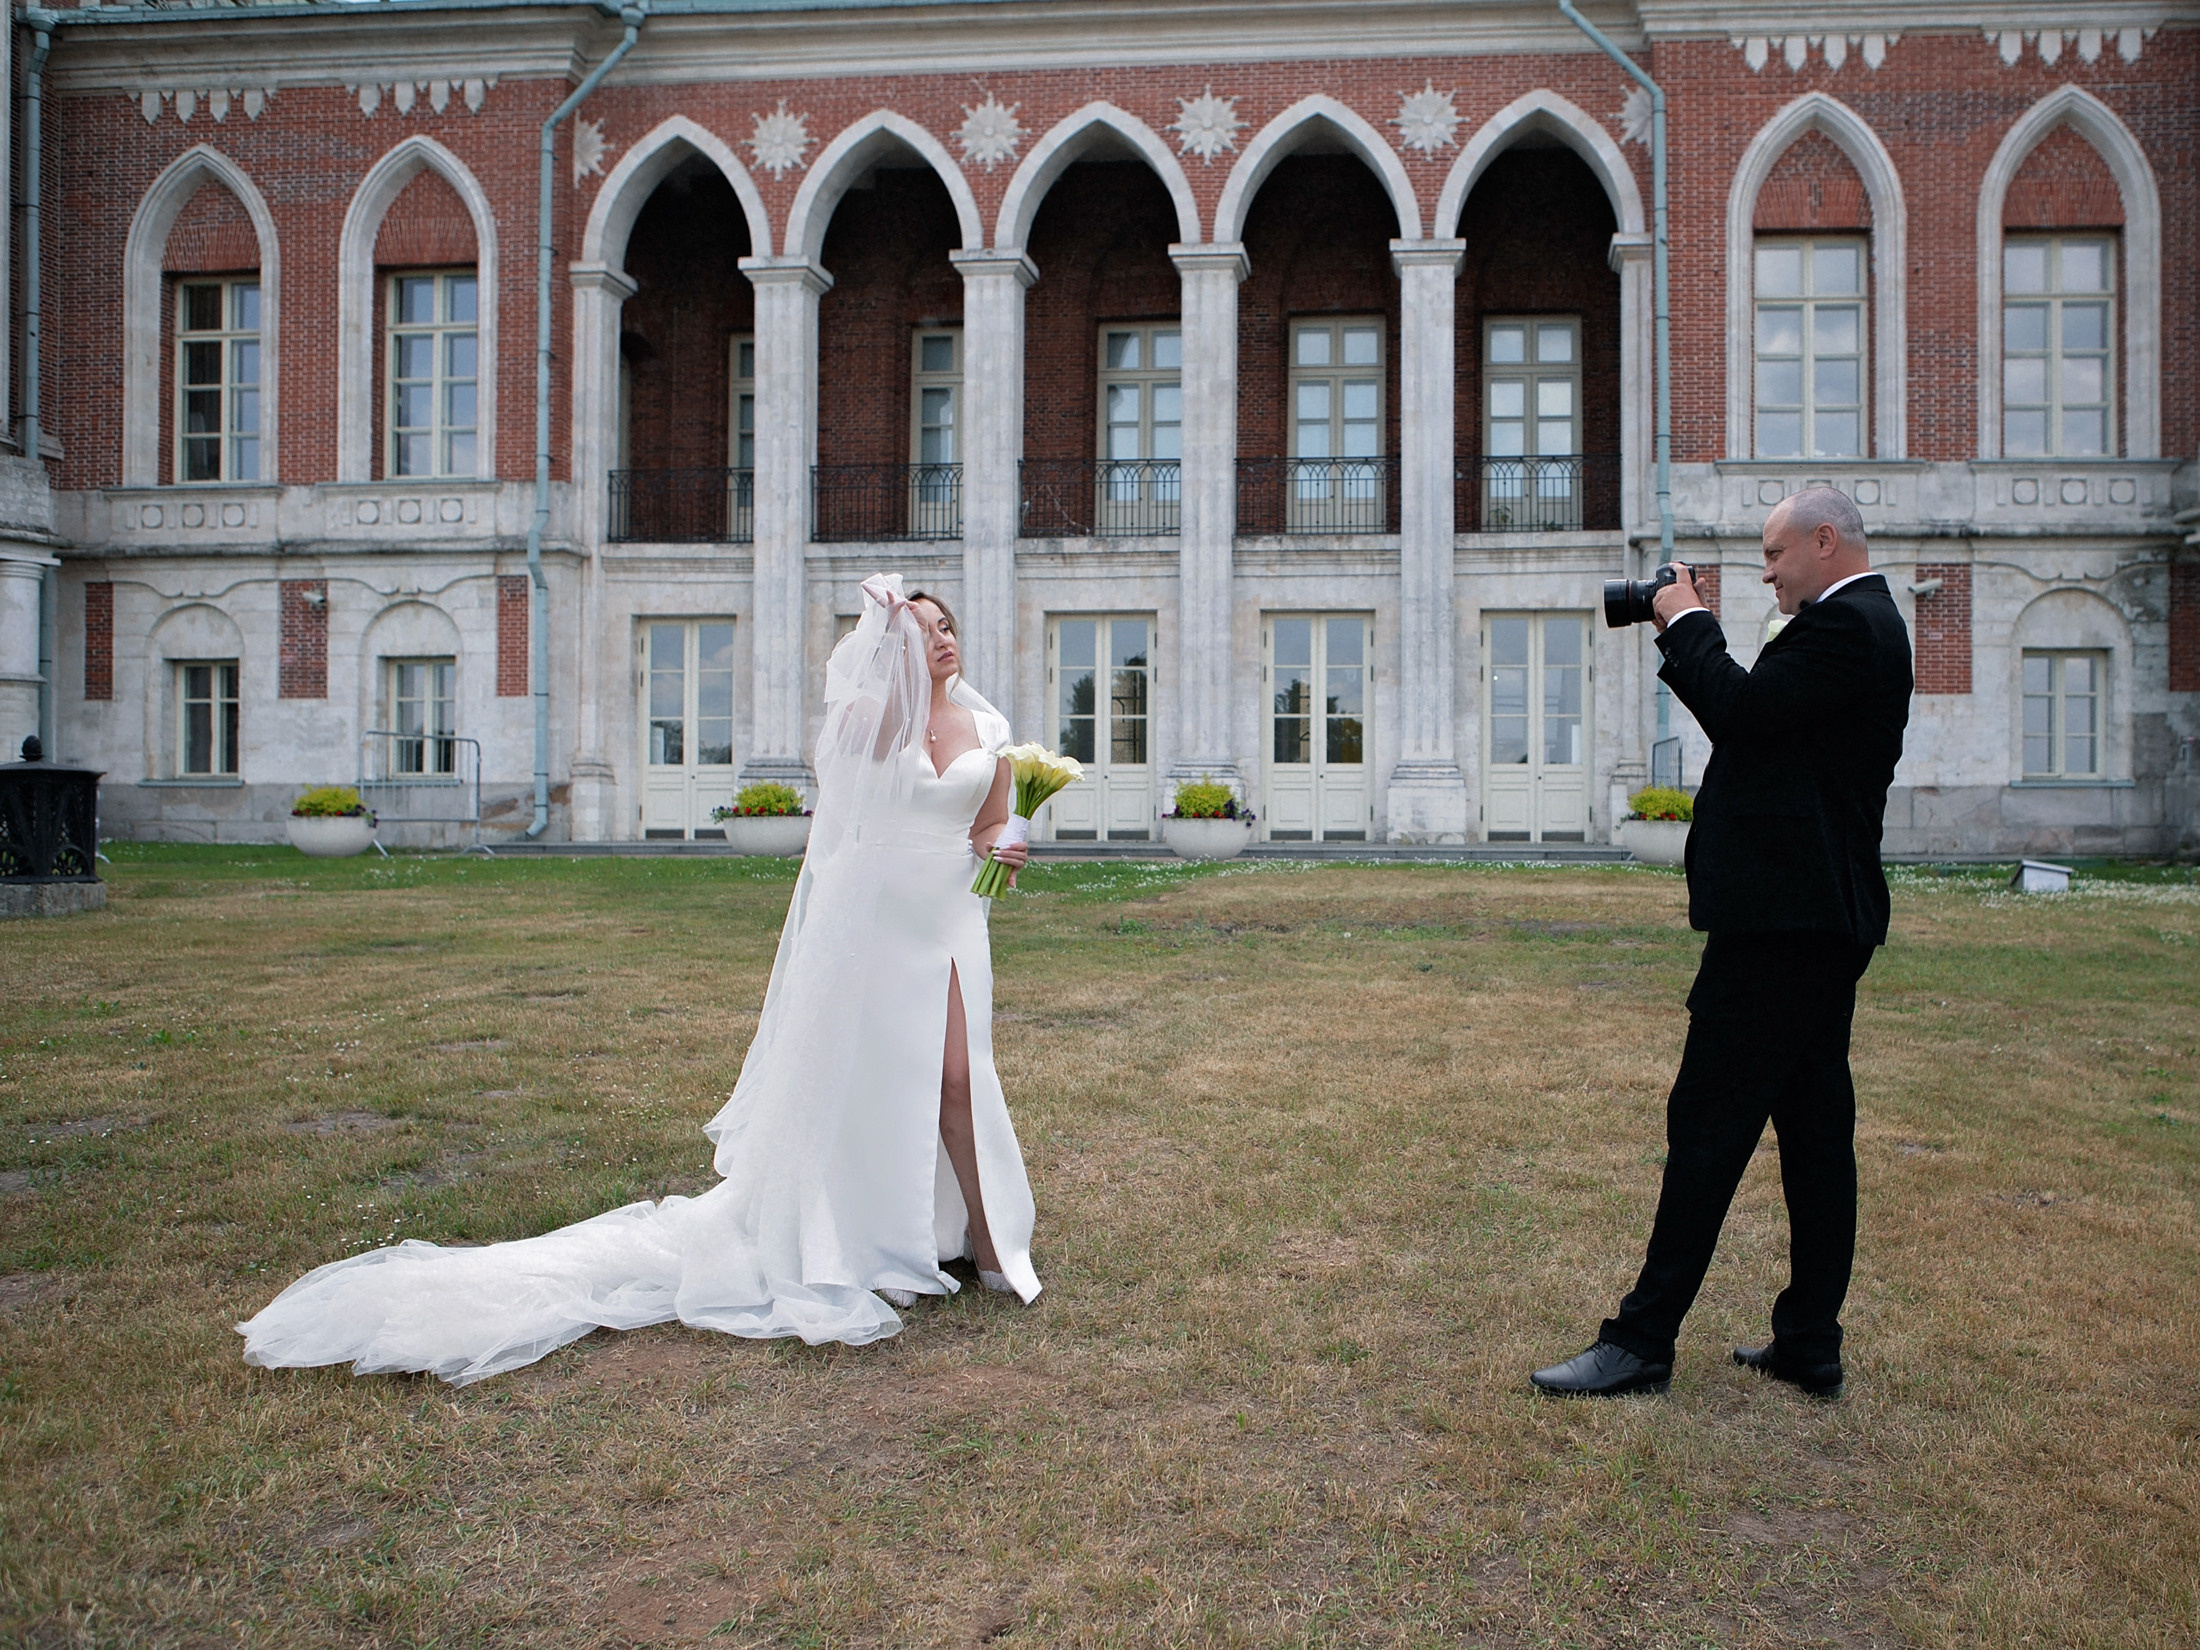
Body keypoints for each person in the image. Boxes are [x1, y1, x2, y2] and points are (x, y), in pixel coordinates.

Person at [238, 574, 1042, 1384]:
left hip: (948, 919)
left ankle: (985, 1237)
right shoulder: (874, 725)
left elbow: (984, 825)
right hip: (875, 924)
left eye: (947, 627)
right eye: (922, 630)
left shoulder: (988, 725)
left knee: (955, 1078)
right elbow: (844, 818)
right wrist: (884, 663)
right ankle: (880, 1243)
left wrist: (1007, 848)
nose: (942, 640)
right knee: (871, 1086)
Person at [1533, 486, 1912, 1401]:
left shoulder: (1849, 625)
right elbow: (1764, 730)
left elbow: (1739, 716)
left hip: (1784, 928)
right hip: (1811, 919)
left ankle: (1640, 1340)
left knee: (1706, 1124)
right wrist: (1691, 628)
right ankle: (1810, 1342)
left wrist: (1685, 619)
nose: (1769, 572)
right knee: (1818, 1134)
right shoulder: (1855, 625)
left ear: (1826, 543)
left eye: (1777, 555)